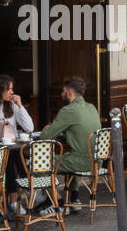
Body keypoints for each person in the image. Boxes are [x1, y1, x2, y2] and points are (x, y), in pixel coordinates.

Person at [39, 76, 100, 209]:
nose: (61, 94)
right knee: (73, 153)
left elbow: (45, 137)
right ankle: (74, 198)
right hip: (98, 161)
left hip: (82, 162)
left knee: (39, 163)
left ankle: (56, 201)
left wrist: (46, 129)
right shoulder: (92, 107)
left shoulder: (68, 110)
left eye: (63, 91)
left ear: (70, 93)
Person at [0, 74, 35, 214]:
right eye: (8, 89)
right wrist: (8, 139)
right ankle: (27, 192)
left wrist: (20, 105)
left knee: (14, 153)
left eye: (12, 89)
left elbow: (30, 127)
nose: (12, 92)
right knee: (9, 155)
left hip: (13, 150)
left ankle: (17, 199)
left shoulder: (12, 106)